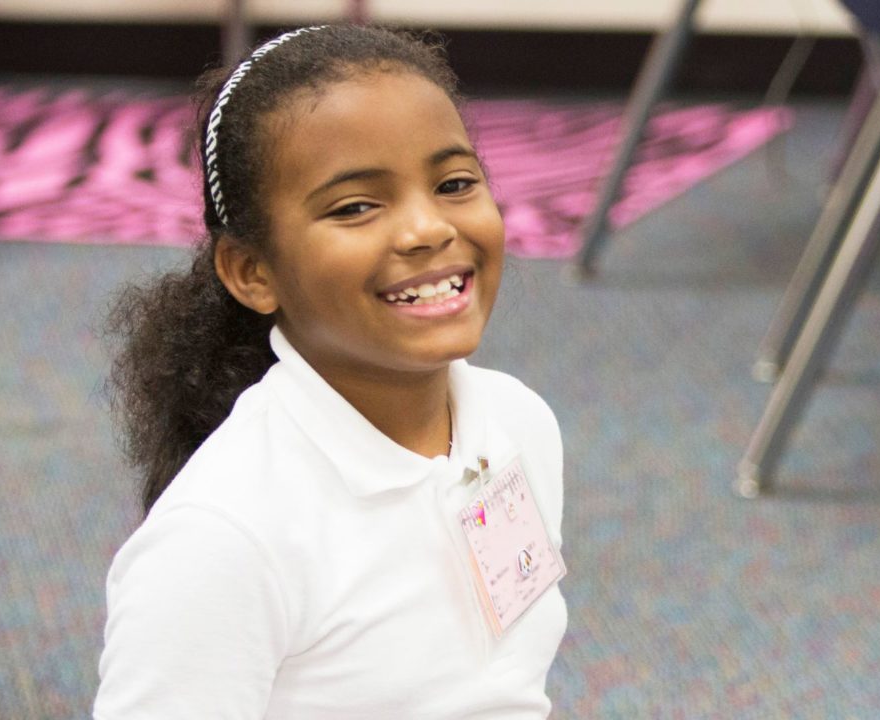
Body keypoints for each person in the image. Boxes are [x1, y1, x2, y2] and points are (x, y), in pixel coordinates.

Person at [95, 25, 567, 718]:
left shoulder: (517, 421)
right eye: (356, 207)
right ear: (252, 272)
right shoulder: (224, 534)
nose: (428, 229)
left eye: (455, 183)